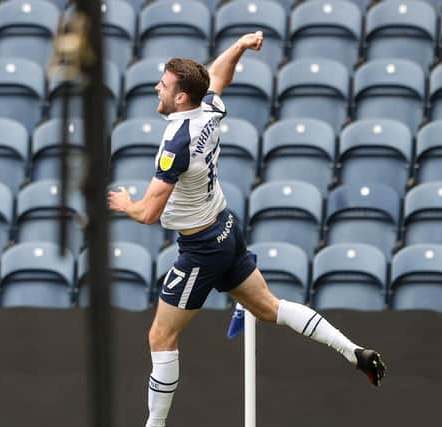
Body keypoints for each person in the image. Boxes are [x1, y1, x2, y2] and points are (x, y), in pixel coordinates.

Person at [108, 31, 387, 427]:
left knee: (160, 337)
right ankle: (353, 351)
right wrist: (237, 47)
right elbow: (219, 76)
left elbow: (150, 213)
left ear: (181, 97)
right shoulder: (208, 110)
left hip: (200, 248)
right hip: (225, 228)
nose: (157, 88)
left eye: (164, 85)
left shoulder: (176, 140)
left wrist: (125, 205)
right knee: (270, 307)